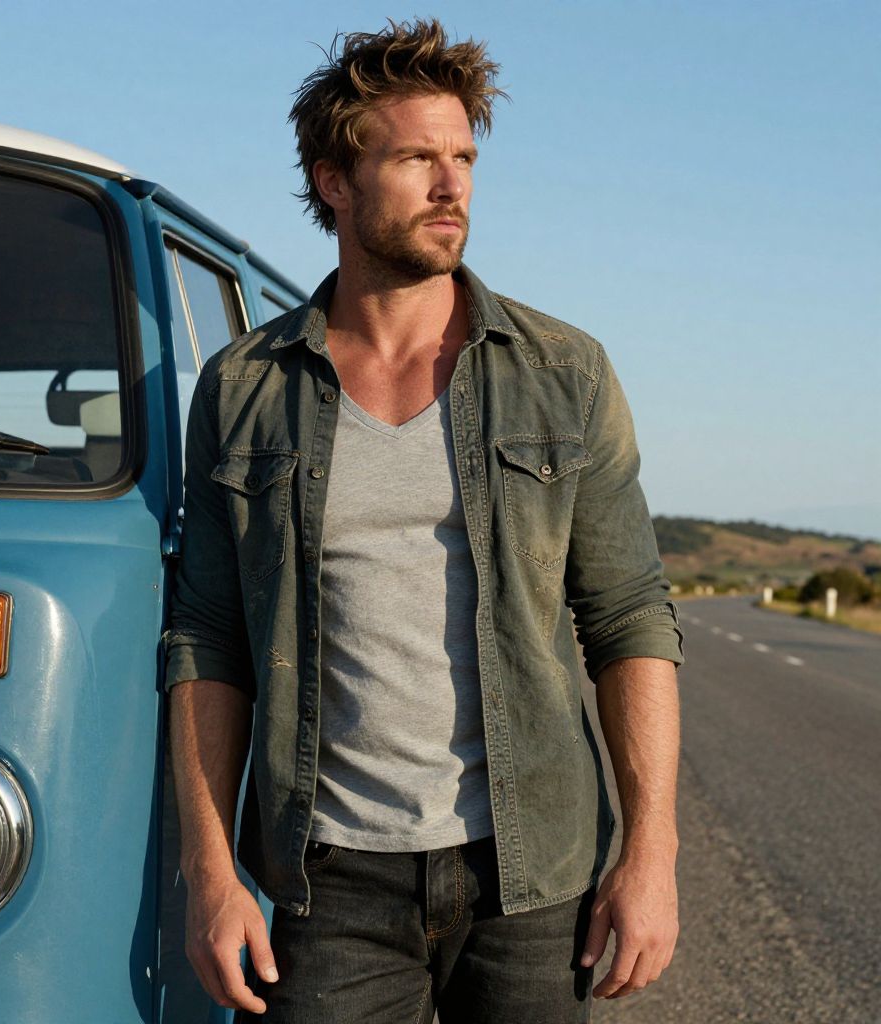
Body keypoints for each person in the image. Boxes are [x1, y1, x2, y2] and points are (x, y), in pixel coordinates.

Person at [164, 18, 685, 1023]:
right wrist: (211, 873)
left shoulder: (562, 373)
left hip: (529, 874)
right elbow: (205, 638)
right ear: (333, 181)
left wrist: (650, 852)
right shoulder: (244, 387)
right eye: (415, 160)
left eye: (462, 159)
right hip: (329, 881)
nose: (453, 189)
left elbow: (629, 618)